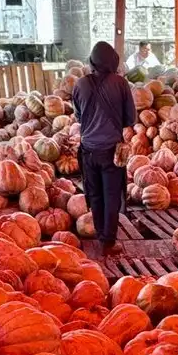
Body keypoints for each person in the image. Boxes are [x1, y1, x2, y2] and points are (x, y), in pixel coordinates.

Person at [72, 41, 135, 254]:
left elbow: (79, 116)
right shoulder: (120, 83)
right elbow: (130, 119)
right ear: (113, 62)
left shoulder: (80, 84)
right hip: (111, 152)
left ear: (92, 62)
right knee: (111, 195)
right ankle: (108, 241)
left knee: (95, 194)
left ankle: (100, 234)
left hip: (88, 151)